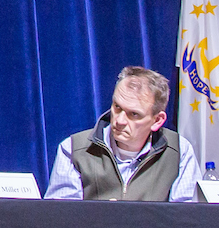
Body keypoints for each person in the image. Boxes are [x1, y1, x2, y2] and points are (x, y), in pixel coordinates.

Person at [45, 66, 200, 202]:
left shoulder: (179, 151)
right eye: (117, 107)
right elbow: (59, 219)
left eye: (133, 114)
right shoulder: (74, 149)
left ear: (157, 120)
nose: (119, 120)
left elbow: (186, 220)